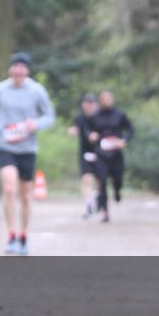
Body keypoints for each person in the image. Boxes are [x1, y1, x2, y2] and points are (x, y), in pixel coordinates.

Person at [0, 52, 55, 255]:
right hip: (5, 145)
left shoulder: (36, 90)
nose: (19, 70)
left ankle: (24, 235)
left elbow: (49, 115)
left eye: (23, 67)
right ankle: (11, 235)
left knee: (25, 194)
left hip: (27, 148)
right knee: (8, 188)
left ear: (27, 71)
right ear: (11, 69)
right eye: (16, 66)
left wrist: (36, 124)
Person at [91, 89, 134, 223]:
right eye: (103, 99)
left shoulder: (119, 114)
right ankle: (105, 212)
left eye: (108, 98)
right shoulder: (95, 116)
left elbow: (131, 129)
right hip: (101, 154)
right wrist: (91, 135)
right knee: (102, 182)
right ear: (100, 101)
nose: (106, 101)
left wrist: (124, 141)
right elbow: (88, 130)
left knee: (118, 179)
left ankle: (117, 191)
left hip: (116, 154)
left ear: (112, 99)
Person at [68, 94, 100, 219]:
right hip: (85, 153)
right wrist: (72, 131)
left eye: (92, 103)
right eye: (87, 103)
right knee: (86, 179)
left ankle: (98, 199)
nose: (89, 106)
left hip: (100, 153)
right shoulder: (80, 118)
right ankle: (89, 206)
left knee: (99, 181)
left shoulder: (101, 117)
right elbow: (74, 127)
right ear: (83, 104)